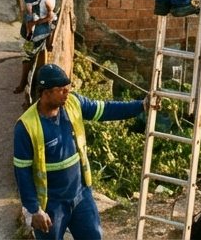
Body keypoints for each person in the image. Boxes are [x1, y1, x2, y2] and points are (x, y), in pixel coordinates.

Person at [12, 63, 146, 240]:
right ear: (46, 93)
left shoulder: (73, 104)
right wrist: (34, 210)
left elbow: (106, 110)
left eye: (67, 88)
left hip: (81, 196)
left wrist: (141, 105)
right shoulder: (26, 127)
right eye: (61, 90)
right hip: (51, 205)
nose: (67, 92)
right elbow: (22, 173)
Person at [15, 0, 57, 93]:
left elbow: (50, 17)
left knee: (28, 56)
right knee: (26, 50)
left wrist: (35, 23)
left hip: (41, 28)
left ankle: (23, 84)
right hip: (30, 26)